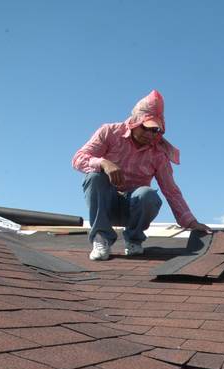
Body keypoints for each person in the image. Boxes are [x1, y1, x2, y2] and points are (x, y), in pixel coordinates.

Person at [72, 90, 212, 261]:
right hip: (104, 204)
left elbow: (171, 191)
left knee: (148, 194)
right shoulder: (109, 132)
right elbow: (78, 159)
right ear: (135, 122)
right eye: (146, 128)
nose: (150, 135)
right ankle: (101, 239)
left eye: (156, 130)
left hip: (133, 209)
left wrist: (191, 222)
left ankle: (134, 240)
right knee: (94, 177)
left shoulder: (158, 153)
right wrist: (103, 163)